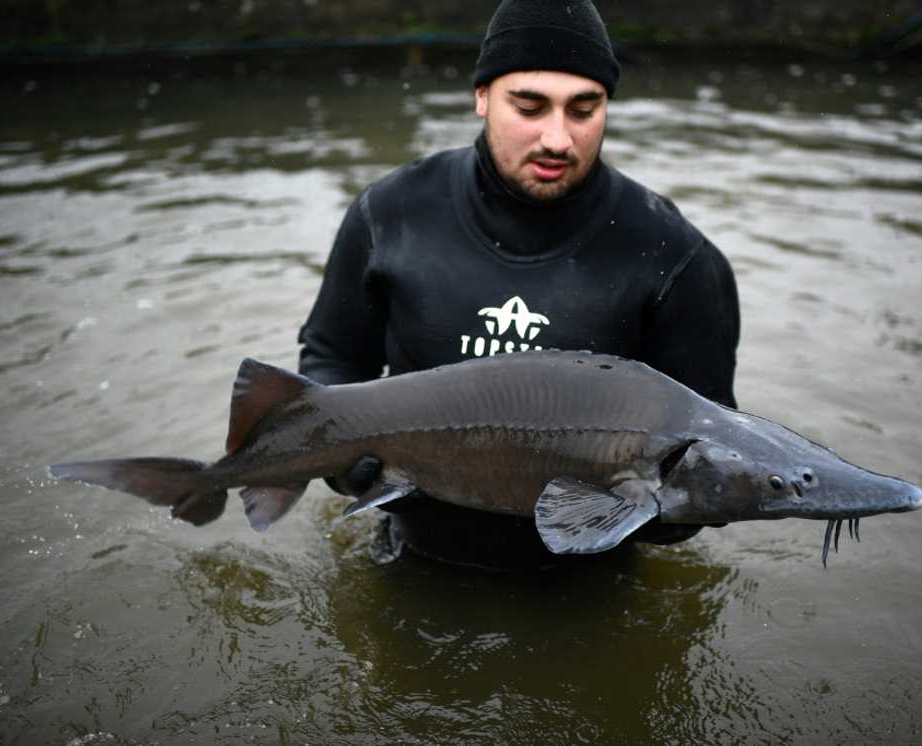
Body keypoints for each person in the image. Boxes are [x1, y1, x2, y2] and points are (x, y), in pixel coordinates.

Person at [297, 0, 740, 567]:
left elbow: (712, 449)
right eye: (529, 107)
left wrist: (671, 507)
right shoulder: (390, 214)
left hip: (586, 580)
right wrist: (343, 460)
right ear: (482, 96)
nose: (558, 138)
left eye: (583, 109)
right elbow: (330, 359)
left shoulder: (676, 256)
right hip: (415, 555)